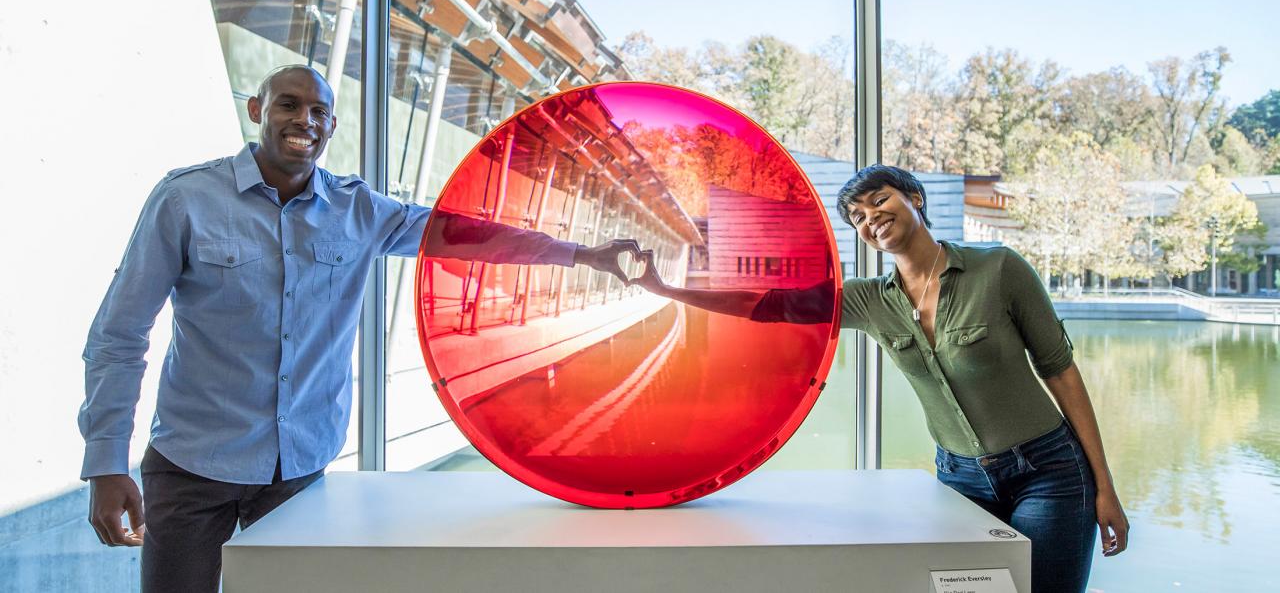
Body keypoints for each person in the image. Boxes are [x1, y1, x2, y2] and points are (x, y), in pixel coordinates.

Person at [79, 65, 638, 592]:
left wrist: (582, 253)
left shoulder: (360, 211)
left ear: (332, 126)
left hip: (298, 473)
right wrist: (106, 462)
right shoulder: (186, 199)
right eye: (289, 105)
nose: (305, 121)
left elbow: (467, 236)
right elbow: (119, 335)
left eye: (319, 111)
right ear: (256, 110)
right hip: (192, 469)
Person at [629, 164, 1128, 593]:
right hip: (960, 480)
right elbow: (766, 304)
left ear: (915, 197)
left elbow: (1060, 371)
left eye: (879, 200)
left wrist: (1104, 487)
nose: (871, 218)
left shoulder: (999, 268)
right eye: (858, 218)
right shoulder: (869, 300)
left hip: (1050, 472)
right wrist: (669, 288)